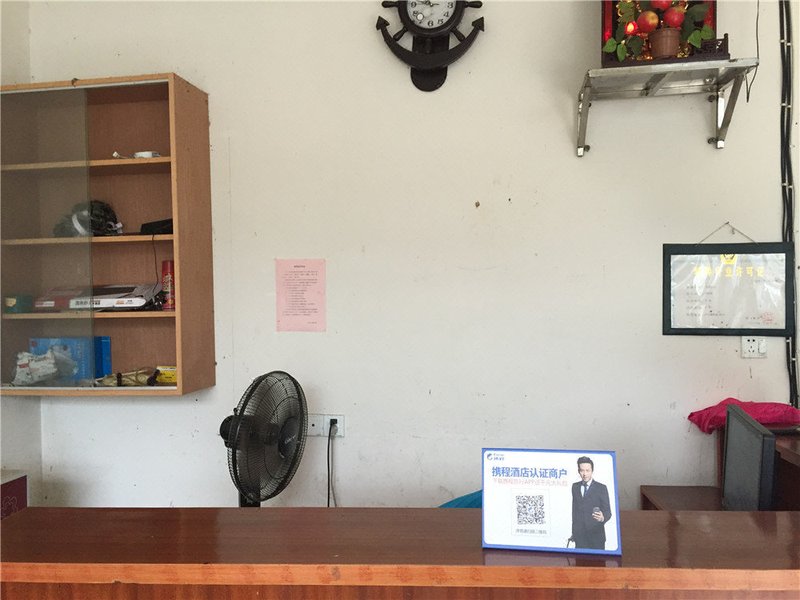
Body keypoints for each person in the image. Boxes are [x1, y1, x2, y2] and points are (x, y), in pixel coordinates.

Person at [569, 456, 611, 550]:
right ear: (578, 471)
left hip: (596, 536)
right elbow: (575, 512)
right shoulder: (575, 487)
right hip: (580, 537)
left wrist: (602, 518)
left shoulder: (601, 488)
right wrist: (574, 532)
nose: (585, 474)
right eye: (582, 470)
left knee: (598, 560)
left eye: (587, 470)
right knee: (579, 559)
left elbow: (608, 511)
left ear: (592, 471)